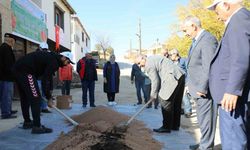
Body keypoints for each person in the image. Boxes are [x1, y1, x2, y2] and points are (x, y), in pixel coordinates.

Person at [207, 0, 250, 149]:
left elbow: (240, 57)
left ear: (226, 4)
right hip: (234, 94)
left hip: (231, 97)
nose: (218, 17)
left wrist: (232, 90)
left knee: (233, 141)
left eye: (217, 12)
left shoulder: (238, 20)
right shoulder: (242, 19)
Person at [12, 51, 74, 134]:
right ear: (63, 57)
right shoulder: (54, 62)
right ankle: (37, 127)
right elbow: (45, 80)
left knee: (25, 98)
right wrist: (49, 98)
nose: (67, 64)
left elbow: (43, 76)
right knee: (36, 99)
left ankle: (27, 122)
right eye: (68, 61)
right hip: (26, 72)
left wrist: (47, 94)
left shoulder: (51, 58)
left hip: (18, 70)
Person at [182, 16, 218, 150]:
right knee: (202, 120)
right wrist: (189, 85)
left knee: (207, 119)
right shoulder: (196, 41)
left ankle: (206, 146)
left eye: (186, 30)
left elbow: (209, 66)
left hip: (204, 90)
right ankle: (204, 142)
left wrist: (202, 87)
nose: (185, 34)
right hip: (195, 88)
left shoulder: (207, 40)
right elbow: (193, 66)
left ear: (193, 26)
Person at [138, 55, 185, 133]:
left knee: (164, 100)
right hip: (180, 75)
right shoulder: (152, 58)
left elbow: (155, 80)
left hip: (171, 76)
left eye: (139, 63)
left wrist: (153, 95)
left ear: (143, 58)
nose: (140, 65)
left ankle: (166, 127)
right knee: (176, 102)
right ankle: (175, 125)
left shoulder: (148, 64)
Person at [169, 49, 192, 118]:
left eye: (171, 54)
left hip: (184, 82)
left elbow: (188, 71)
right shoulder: (170, 62)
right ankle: (181, 110)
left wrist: (187, 84)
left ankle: (188, 111)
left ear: (175, 54)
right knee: (177, 98)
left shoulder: (183, 60)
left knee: (185, 97)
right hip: (175, 83)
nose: (170, 56)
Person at [0, 33, 18, 119]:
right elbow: (8, 65)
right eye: (14, 41)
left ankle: (8, 109)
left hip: (5, 77)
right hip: (6, 77)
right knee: (6, 95)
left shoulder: (3, 48)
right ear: (11, 40)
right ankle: (6, 113)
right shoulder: (6, 49)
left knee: (7, 95)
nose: (14, 43)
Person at [36, 42, 51, 113]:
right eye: (43, 49)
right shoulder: (36, 55)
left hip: (44, 77)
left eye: (46, 49)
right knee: (38, 94)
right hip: (37, 77)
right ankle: (38, 109)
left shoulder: (47, 55)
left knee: (44, 92)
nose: (45, 51)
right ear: (40, 48)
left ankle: (44, 107)